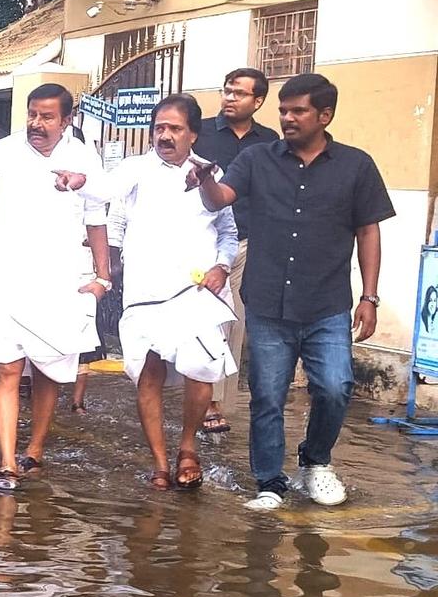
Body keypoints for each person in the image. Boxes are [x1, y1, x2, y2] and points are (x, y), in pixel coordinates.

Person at [191, 73, 396, 510]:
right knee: (267, 394)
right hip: (268, 302)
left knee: (336, 387)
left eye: (297, 110)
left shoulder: (356, 165)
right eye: (283, 110)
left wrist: (370, 296)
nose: (287, 118)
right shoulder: (257, 159)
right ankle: (269, 482)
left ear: (325, 115)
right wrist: (206, 180)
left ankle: (315, 462)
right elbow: (219, 198)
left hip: (327, 304)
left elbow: (368, 230)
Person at [0, 84, 111, 478]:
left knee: (48, 366)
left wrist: (102, 277)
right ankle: (6, 460)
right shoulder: (5, 151)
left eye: (47, 116)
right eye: (32, 114)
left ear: (66, 120)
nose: (36, 123)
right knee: (7, 368)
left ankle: (34, 449)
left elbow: (96, 218)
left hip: (61, 279)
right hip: (8, 275)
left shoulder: (83, 157)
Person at [107, 95, 239, 490]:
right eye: (159, 127)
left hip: (195, 290)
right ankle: (161, 464)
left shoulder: (210, 175)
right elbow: (113, 224)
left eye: (174, 128)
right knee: (149, 373)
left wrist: (221, 266)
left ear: (192, 133)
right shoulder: (132, 171)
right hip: (145, 291)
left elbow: (228, 233)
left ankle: (188, 448)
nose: (164, 136)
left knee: (201, 370)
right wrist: (108, 271)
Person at [193, 67, 279, 433]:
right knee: (197, 319)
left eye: (239, 93)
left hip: (245, 242)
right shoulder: (201, 135)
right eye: (227, 91)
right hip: (199, 240)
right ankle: (192, 392)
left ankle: (214, 401)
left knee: (231, 322)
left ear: (257, 101)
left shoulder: (270, 141)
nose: (229, 98)